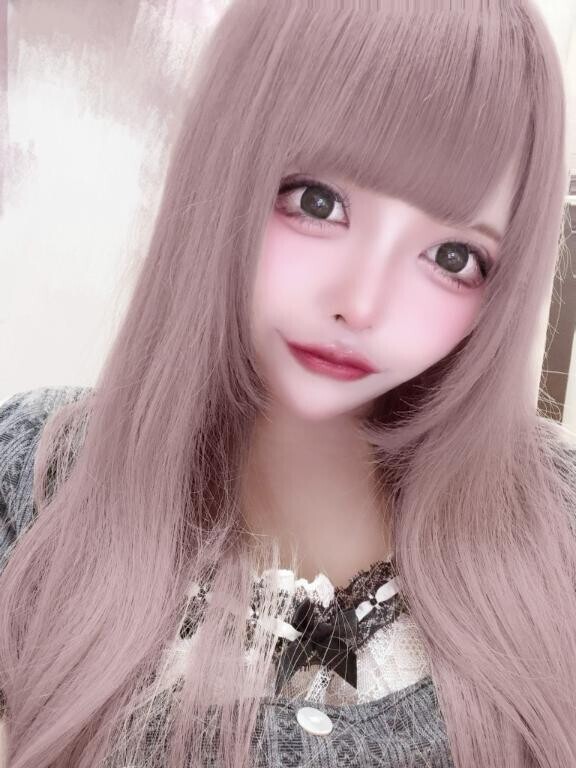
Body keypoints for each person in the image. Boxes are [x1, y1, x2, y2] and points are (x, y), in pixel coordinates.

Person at [1, 1, 576, 766]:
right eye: (317, 203)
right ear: (224, 167)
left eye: (451, 258)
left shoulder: (554, 519)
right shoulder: (37, 478)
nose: (362, 305)